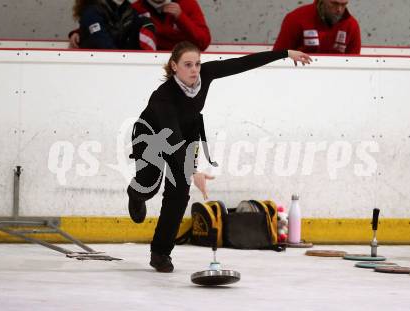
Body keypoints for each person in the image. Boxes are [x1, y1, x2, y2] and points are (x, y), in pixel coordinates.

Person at [127, 41, 312, 273]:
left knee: (179, 193)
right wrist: (194, 171)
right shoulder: (163, 97)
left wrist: (285, 53)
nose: (194, 69)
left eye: (197, 63)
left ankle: (160, 253)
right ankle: (136, 194)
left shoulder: (205, 74)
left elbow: (241, 63)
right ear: (174, 66)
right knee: (148, 184)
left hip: (184, 133)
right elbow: (171, 138)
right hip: (153, 136)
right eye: (187, 65)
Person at [70, 0, 211, 51]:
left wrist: (181, 17)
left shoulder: (187, 4)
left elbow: (203, 42)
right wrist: (79, 32)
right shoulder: (136, 8)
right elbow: (104, 24)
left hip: (182, 62)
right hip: (148, 63)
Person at [273, 0, 361, 54]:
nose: (339, 9)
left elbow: (354, 63)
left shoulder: (351, 25)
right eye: (334, 3)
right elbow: (278, 56)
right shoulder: (296, 19)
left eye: (344, 4)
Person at [71, 0, 156, 50]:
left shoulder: (127, 10)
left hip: (117, 64)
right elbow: (102, 42)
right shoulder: (92, 11)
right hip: (94, 64)